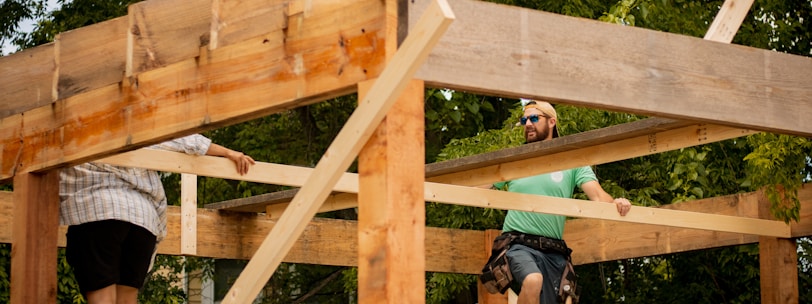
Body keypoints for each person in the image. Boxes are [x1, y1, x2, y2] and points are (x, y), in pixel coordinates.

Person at [59, 134, 255, 304]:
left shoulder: (75, 128)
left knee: (102, 299)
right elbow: (183, 141)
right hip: (142, 220)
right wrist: (229, 152)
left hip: (97, 211)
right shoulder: (133, 128)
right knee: (127, 299)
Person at [493, 100, 631, 304]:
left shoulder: (572, 161)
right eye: (524, 120)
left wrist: (618, 203)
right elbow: (477, 186)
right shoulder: (514, 160)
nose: (528, 124)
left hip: (554, 251)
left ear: (551, 122)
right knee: (532, 280)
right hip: (518, 243)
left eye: (534, 118)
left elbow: (599, 197)